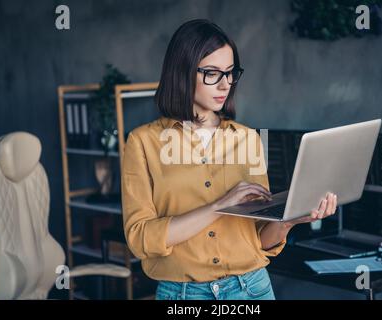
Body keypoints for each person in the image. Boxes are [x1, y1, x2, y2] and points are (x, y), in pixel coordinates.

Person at [121, 19, 337, 300]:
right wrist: (219, 206)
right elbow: (140, 240)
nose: (225, 84)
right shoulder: (142, 143)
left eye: (231, 73)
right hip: (184, 296)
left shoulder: (248, 139)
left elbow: (259, 239)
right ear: (182, 72)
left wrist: (290, 220)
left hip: (252, 289)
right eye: (212, 73)